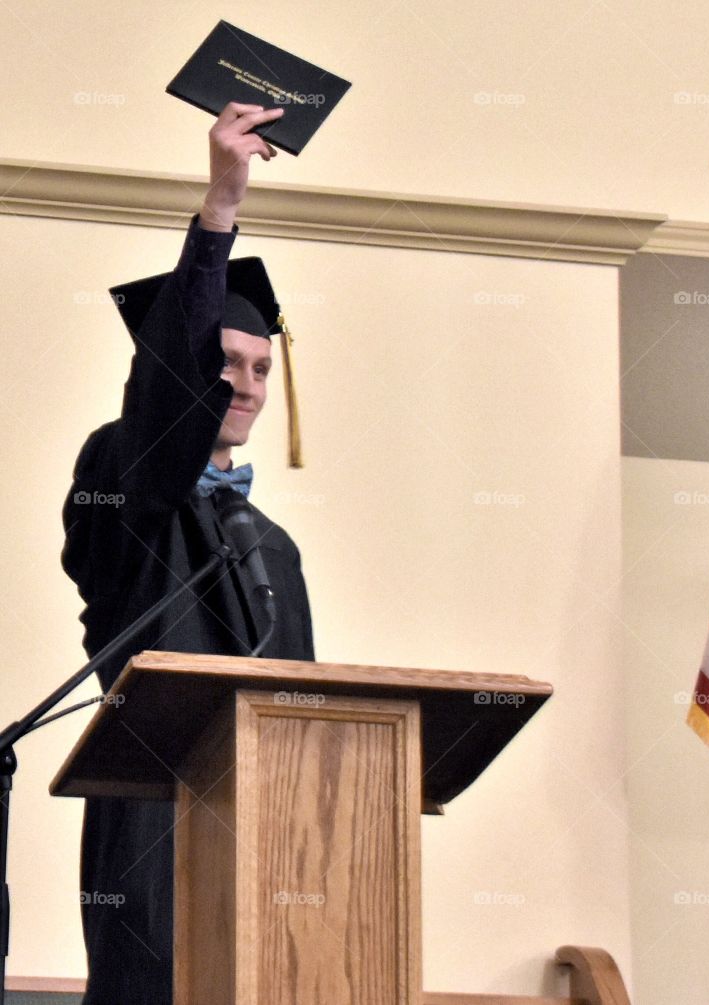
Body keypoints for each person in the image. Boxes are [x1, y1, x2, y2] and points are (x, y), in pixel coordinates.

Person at [61, 103, 315, 1004]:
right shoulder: (121, 476)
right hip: (157, 816)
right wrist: (221, 204)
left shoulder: (269, 546)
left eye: (258, 368)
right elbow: (164, 410)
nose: (241, 383)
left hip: (276, 835)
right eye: (223, 359)